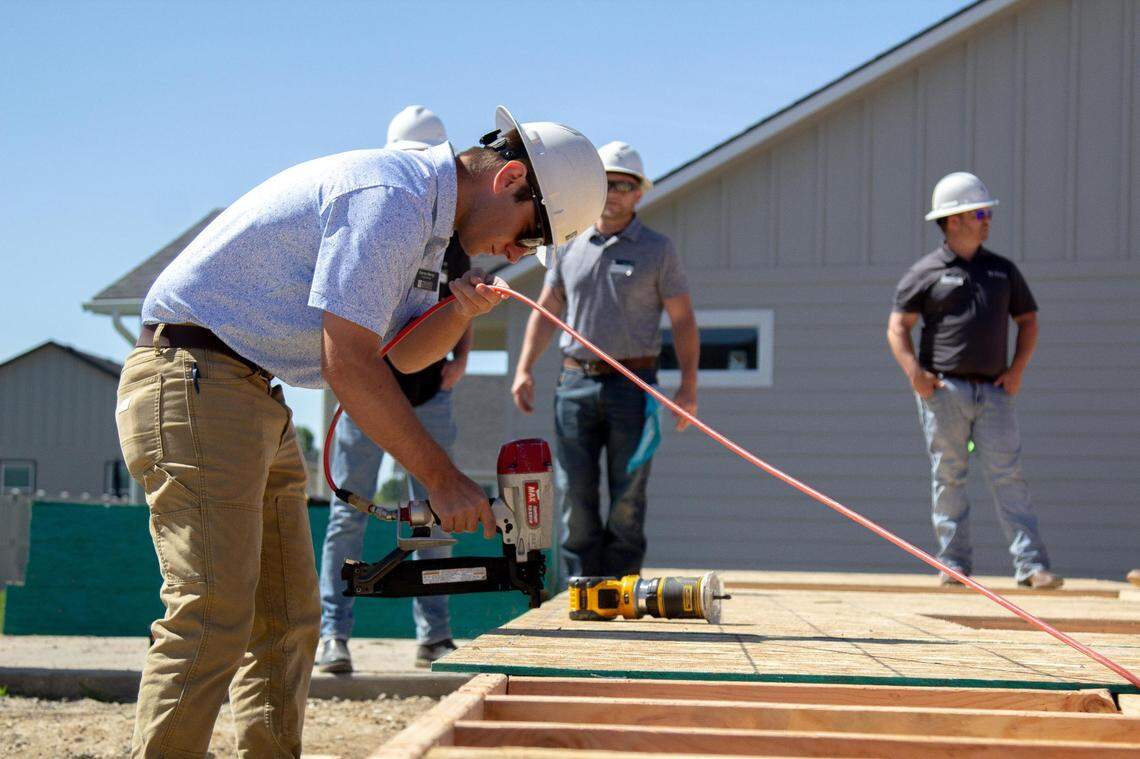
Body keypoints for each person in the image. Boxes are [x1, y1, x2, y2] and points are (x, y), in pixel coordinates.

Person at [115, 105, 605, 757]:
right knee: (212, 614)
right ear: (510, 177)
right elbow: (346, 360)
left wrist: (459, 314)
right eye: (529, 235)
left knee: (289, 620)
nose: (517, 254)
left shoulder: (426, 229)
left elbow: (400, 354)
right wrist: (442, 478)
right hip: (195, 376)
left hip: (246, 388)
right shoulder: (393, 196)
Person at [316, 105, 470, 674]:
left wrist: (459, 360)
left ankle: (435, 637)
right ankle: (334, 637)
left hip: (430, 393)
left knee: (435, 511)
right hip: (367, 394)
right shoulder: (375, 216)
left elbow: (462, 300)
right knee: (348, 513)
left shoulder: (453, 234)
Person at [511, 141, 699, 580]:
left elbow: (684, 319)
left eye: (624, 185)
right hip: (574, 385)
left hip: (634, 385)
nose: (614, 192)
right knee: (574, 492)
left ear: (639, 194)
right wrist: (523, 368)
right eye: (607, 183)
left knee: (628, 495)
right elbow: (546, 309)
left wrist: (688, 386)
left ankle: (622, 587)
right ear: (593, 188)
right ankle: (582, 589)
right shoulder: (569, 245)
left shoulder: (658, 250)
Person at [887, 171, 1062, 590]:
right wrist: (917, 376)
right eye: (979, 212)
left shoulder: (1002, 271)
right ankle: (954, 567)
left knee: (1009, 475)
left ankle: (1031, 567)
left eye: (986, 213)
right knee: (949, 476)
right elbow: (897, 327)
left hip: (995, 393)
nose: (987, 220)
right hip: (945, 391)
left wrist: (1016, 370)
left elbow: (1029, 321)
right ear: (953, 220)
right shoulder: (925, 272)